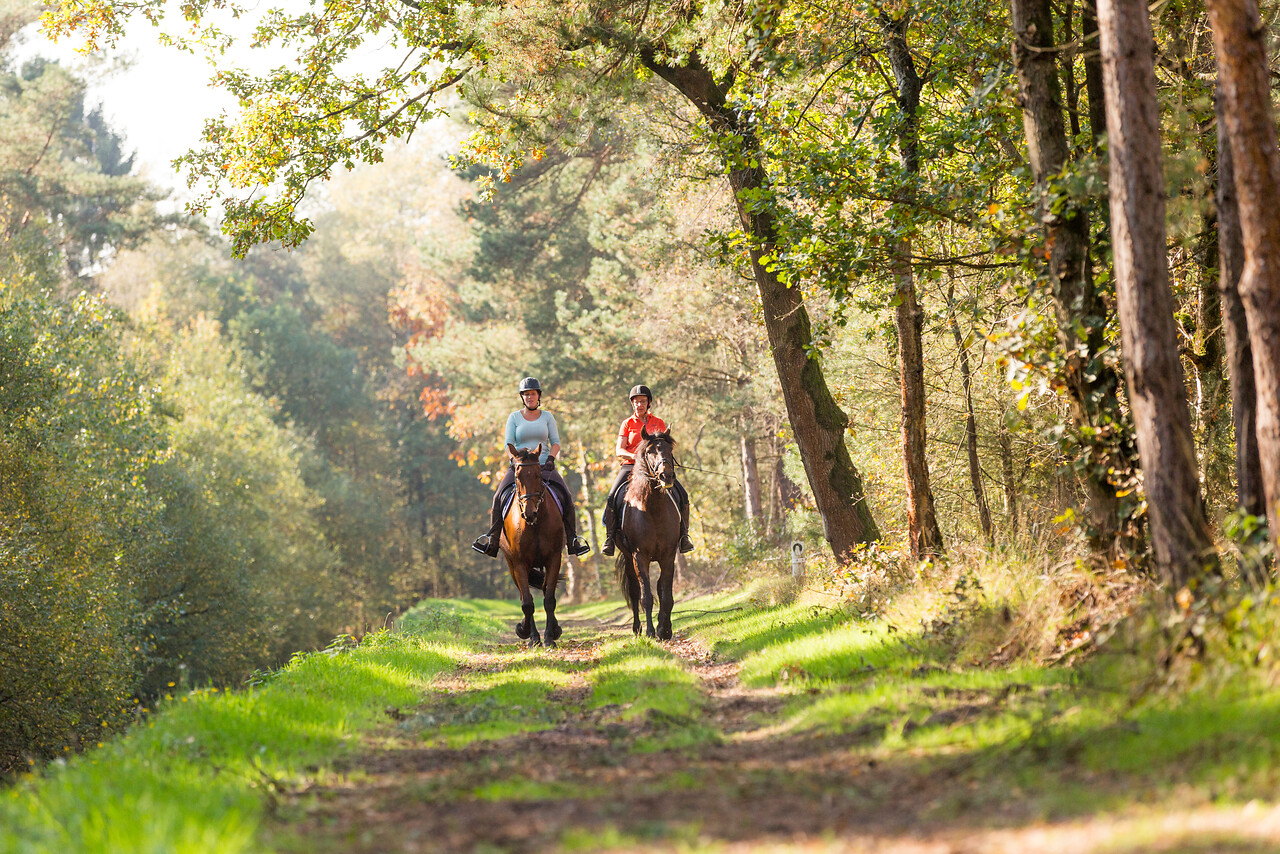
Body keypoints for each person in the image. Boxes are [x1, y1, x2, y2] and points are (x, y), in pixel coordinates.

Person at [472, 377, 591, 557]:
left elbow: (556, 442)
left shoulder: (547, 417)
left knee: (566, 496)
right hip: (520, 466)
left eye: (533, 394)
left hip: (544, 465)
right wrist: (513, 459)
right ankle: (493, 541)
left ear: (538, 396)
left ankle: (572, 540)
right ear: (522, 397)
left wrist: (551, 458)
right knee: (498, 497)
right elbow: (508, 444)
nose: (530, 397)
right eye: (526, 394)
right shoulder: (513, 417)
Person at [600, 384, 694, 556]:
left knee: (683, 495)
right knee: (612, 497)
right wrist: (636, 457)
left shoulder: (658, 422)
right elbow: (619, 450)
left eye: (642, 401)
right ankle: (610, 538)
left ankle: (684, 536)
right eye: (636, 402)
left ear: (648, 402)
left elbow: (664, 446)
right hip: (631, 466)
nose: (639, 405)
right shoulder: (627, 424)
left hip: (656, 468)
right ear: (632, 404)